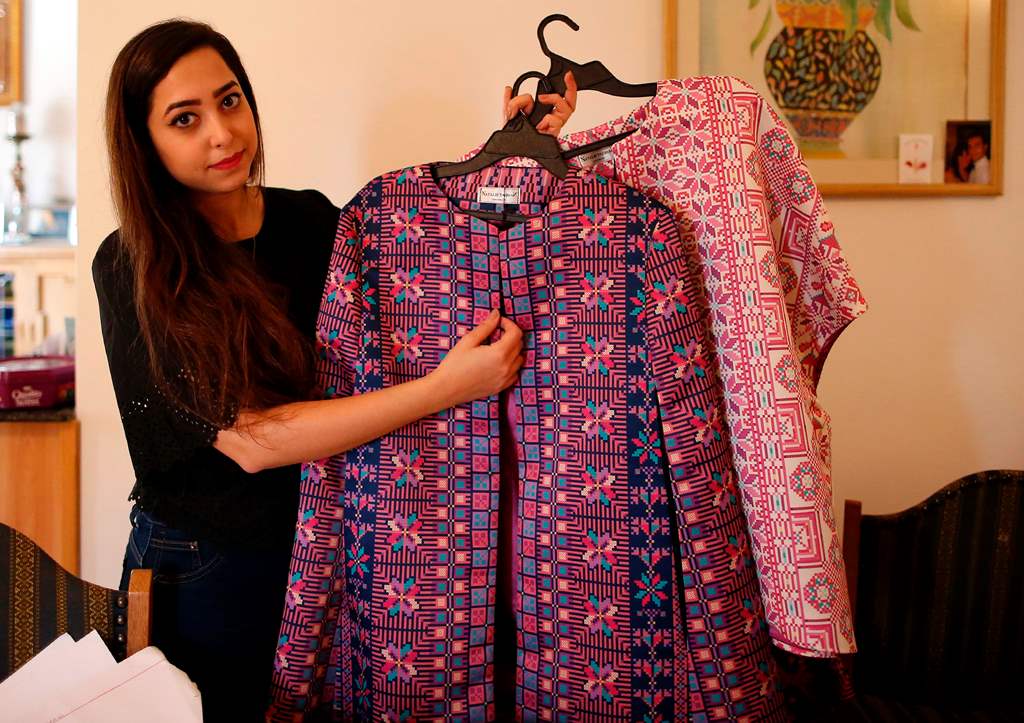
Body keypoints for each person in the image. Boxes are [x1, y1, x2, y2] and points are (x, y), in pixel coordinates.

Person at [93, 19, 577, 720]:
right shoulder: (133, 265)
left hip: (328, 538)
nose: (222, 134)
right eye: (185, 119)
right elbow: (252, 441)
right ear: (146, 142)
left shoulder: (315, 221)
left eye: (230, 102)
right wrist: (445, 389)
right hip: (207, 565)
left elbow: (442, 256)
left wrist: (520, 153)